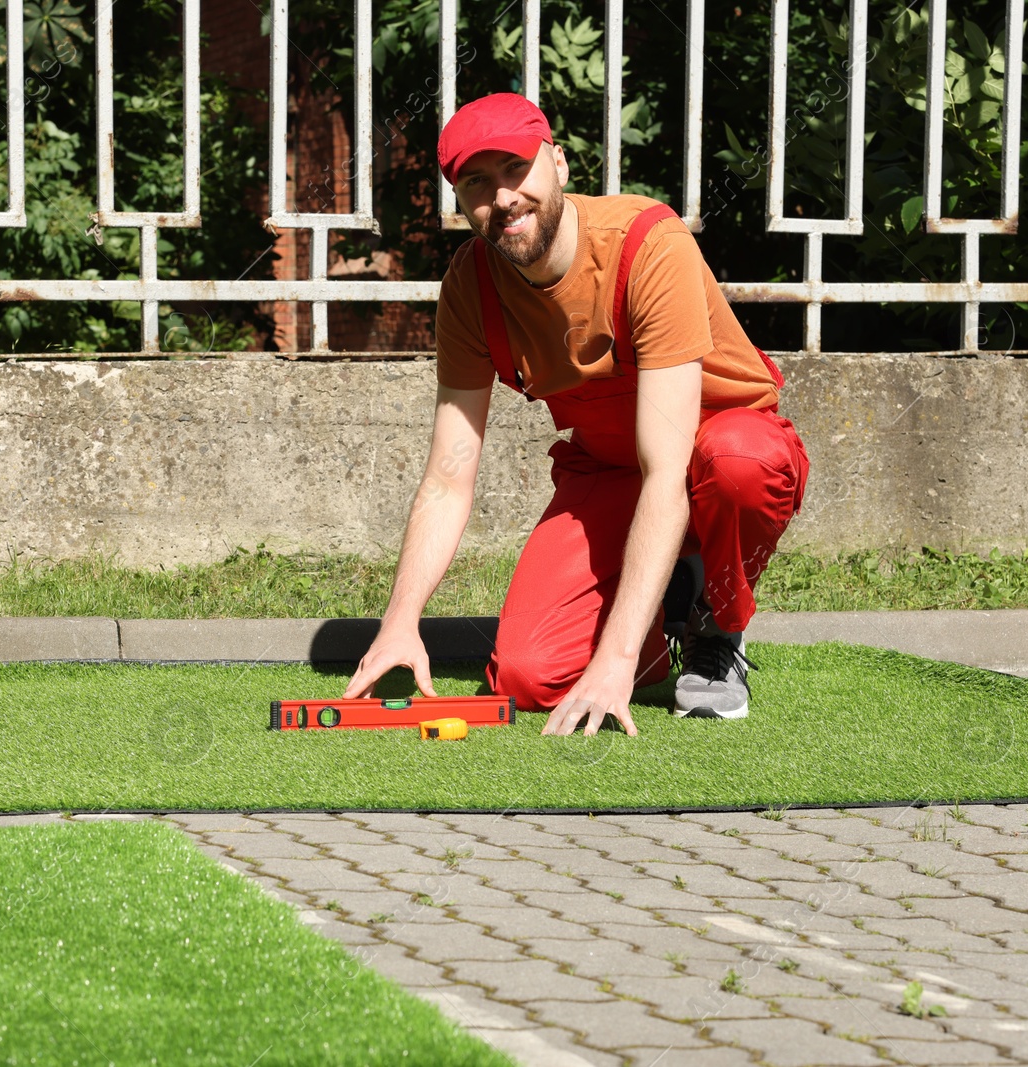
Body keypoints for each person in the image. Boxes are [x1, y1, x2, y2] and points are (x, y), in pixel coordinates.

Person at [343, 93, 810, 736]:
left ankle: (714, 627)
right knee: (528, 676)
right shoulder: (471, 286)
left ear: (558, 164)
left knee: (737, 465)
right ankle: (659, 607)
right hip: (609, 469)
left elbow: (668, 467)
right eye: (476, 181)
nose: (502, 197)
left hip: (710, 448)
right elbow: (449, 475)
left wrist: (612, 662)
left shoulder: (648, 243)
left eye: (514, 168)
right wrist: (399, 622)